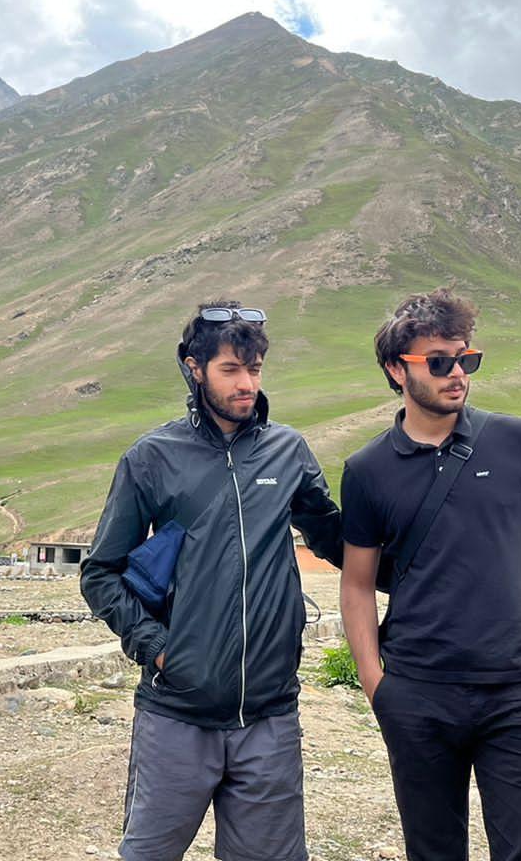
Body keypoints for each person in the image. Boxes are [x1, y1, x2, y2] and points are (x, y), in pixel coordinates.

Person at [341, 288, 521, 861]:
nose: (458, 374)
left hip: (520, 693)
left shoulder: (517, 439)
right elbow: (357, 583)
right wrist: (374, 682)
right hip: (417, 694)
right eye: (439, 362)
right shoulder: (366, 470)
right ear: (396, 368)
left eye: (467, 359)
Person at [81, 300, 344, 861]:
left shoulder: (288, 450)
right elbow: (100, 573)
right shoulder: (153, 458)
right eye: (232, 369)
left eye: (255, 370)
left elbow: (337, 539)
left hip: (270, 716)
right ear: (194, 367)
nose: (247, 384)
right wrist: (153, 647)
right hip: (178, 712)